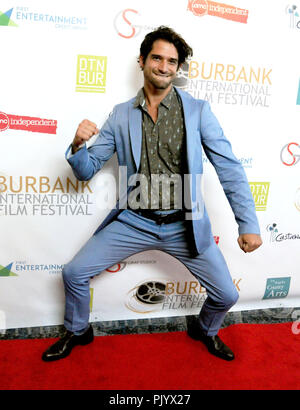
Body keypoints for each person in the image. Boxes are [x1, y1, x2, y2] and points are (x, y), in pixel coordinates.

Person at [42, 26, 262, 362]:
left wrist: (248, 223)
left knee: (227, 294)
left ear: (178, 68)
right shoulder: (120, 115)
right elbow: (86, 170)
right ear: (142, 61)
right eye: (156, 58)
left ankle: (204, 329)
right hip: (133, 220)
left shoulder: (198, 111)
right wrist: (77, 145)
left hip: (183, 225)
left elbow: (229, 167)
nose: (163, 66)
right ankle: (78, 331)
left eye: (171, 61)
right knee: (73, 272)